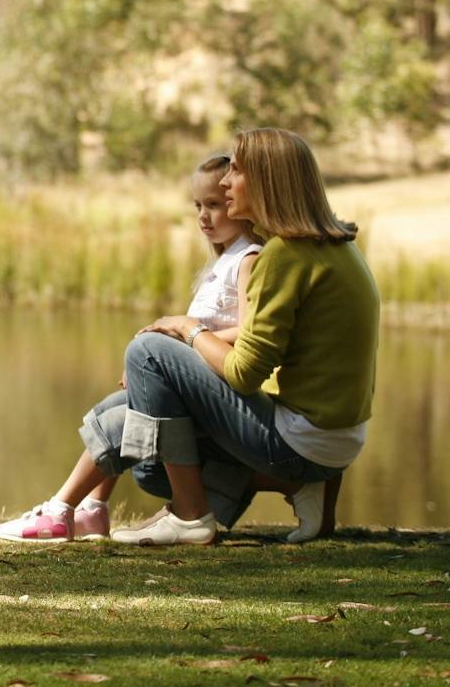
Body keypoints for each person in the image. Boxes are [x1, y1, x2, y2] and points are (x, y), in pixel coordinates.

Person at [106, 128, 379, 546]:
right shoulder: (338, 248)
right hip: (338, 443)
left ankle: (190, 516)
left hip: (301, 443)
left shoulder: (284, 255)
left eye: (236, 170)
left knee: (147, 351)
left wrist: (187, 328)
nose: (226, 180)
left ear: (266, 180)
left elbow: (246, 373)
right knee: (145, 444)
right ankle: (306, 487)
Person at [0, 154, 260, 543]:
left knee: (123, 413)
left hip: (218, 387)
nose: (204, 216)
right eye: (198, 206)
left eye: (215, 205)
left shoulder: (248, 258)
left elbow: (249, 332)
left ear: (242, 203)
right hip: (195, 379)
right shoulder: (222, 261)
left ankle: (62, 510)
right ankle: (91, 509)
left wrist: (177, 347)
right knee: (118, 404)